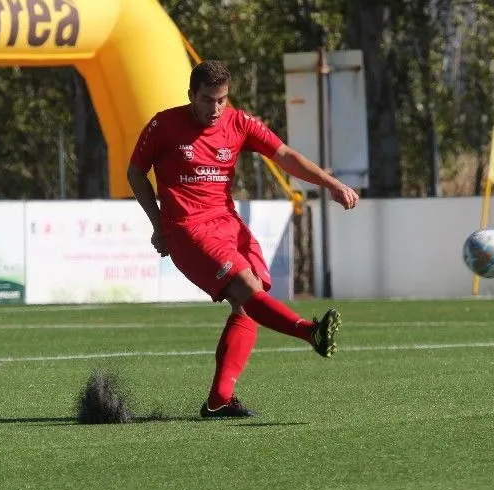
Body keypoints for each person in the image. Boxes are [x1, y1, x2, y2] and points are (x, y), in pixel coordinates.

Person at [127, 59, 359, 419]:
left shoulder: (239, 122)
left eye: (222, 99)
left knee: (249, 301)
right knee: (248, 288)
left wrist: (330, 183)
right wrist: (158, 225)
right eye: (207, 100)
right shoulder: (164, 124)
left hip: (228, 224)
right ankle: (309, 332)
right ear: (191, 95)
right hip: (187, 228)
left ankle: (220, 398)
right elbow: (135, 172)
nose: (215, 108)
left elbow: (285, 155)